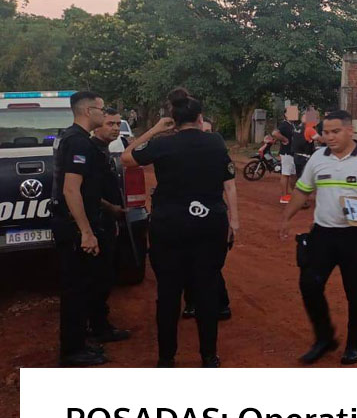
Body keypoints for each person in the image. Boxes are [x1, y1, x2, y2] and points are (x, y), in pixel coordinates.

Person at [121, 89, 239, 368]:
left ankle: (166, 359)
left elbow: (126, 158)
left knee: (168, 294)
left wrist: (155, 129)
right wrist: (234, 221)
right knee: (206, 291)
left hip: (169, 227)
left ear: (173, 120)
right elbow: (229, 183)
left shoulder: (163, 144)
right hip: (209, 224)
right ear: (200, 118)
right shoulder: (216, 142)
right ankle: (209, 357)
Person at [280, 110, 357, 366]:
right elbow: (302, 190)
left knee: (356, 292)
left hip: (356, 236)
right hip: (322, 233)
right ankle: (324, 338)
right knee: (309, 285)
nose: (330, 137)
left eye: (336, 131)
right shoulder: (318, 158)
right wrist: (287, 217)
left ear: (349, 131)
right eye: (326, 132)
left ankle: (354, 344)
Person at [51, 91, 109, 366]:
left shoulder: (71, 137)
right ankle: (72, 352)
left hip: (71, 223)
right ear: (88, 111)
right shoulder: (78, 142)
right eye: (101, 109)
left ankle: (79, 343)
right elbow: (71, 189)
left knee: (82, 285)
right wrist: (85, 231)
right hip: (73, 227)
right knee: (75, 289)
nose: (104, 113)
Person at [183, 114, 232, 322]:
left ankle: (221, 304)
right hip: (186, 216)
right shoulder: (181, 157)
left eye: (209, 133)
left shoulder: (219, 156)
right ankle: (192, 303)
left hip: (213, 215)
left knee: (211, 265)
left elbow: (230, 187)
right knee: (187, 261)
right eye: (202, 132)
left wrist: (233, 220)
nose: (205, 137)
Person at [89, 108, 131, 343]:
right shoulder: (92, 151)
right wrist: (111, 208)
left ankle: (98, 323)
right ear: (97, 125)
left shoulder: (104, 150)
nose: (115, 128)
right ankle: (98, 327)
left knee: (106, 275)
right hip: (97, 222)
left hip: (107, 222)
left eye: (117, 124)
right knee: (99, 277)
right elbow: (86, 191)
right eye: (110, 124)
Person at [273, 106, 299, 204]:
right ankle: (284, 196)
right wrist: (284, 139)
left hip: (292, 153)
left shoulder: (292, 125)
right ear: (286, 114)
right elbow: (275, 133)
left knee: (293, 175)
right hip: (287, 153)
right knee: (286, 174)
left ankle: (293, 195)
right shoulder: (284, 124)